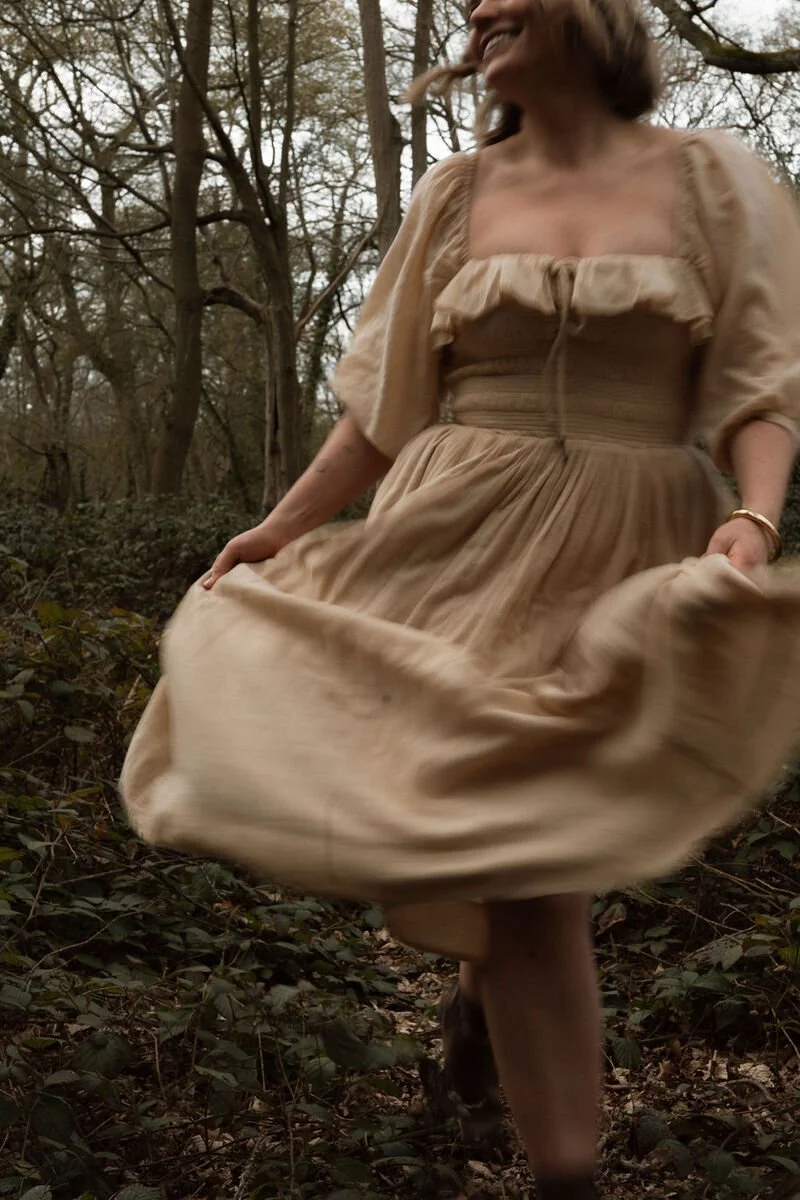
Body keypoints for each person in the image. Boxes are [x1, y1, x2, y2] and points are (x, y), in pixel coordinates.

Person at [121, 0, 800, 1195]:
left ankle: (486, 1018)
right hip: (452, 532)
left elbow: (757, 385)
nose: (480, 10)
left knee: (539, 845)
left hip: (628, 541)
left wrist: (747, 519)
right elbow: (383, 412)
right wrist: (278, 530)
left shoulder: (711, 181)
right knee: (520, 857)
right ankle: (565, 1173)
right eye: (469, 5)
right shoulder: (452, 192)